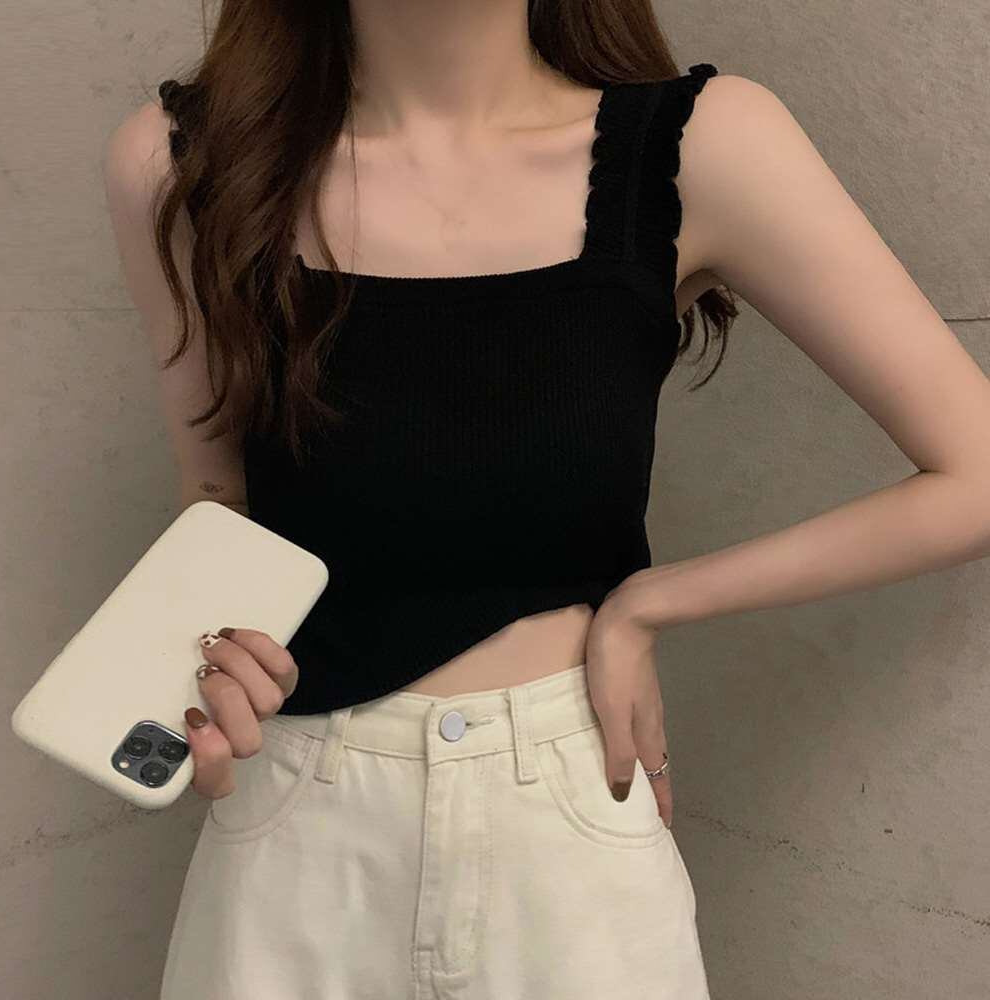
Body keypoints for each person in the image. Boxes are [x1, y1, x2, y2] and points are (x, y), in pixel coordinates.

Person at [103, 2, 990, 998]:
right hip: (291, 831)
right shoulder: (181, 164)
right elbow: (217, 495)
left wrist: (651, 601)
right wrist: (196, 692)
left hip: (566, 827)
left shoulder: (701, 146)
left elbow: (976, 472)